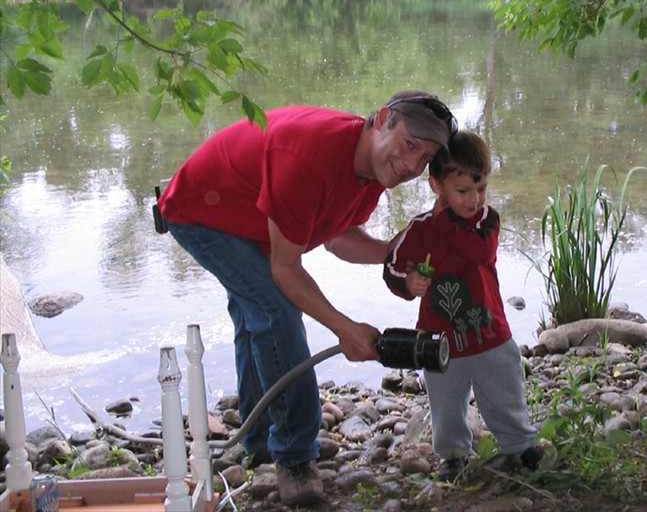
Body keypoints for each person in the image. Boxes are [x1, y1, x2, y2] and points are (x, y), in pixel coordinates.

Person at [158, 90, 457, 506]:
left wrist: (392, 254)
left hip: (249, 214)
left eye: (424, 159)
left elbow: (334, 236)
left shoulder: (369, 173)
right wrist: (345, 328)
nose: (411, 164)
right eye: (410, 145)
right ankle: (295, 455)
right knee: (274, 309)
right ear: (383, 119)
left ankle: (261, 440)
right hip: (199, 213)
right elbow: (286, 270)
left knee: (256, 317)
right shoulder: (311, 156)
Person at [383, 131, 542, 482]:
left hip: (490, 331)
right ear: (436, 185)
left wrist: (445, 220)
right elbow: (393, 265)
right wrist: (407, 283)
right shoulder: (419, 229)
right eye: (463, 191)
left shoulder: (486, 221)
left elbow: (477, 253)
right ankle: (453, 455)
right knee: (445, 402)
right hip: (440, 341)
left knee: (505, 391)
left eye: (481, 188)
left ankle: (519, 445)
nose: (474, 199)